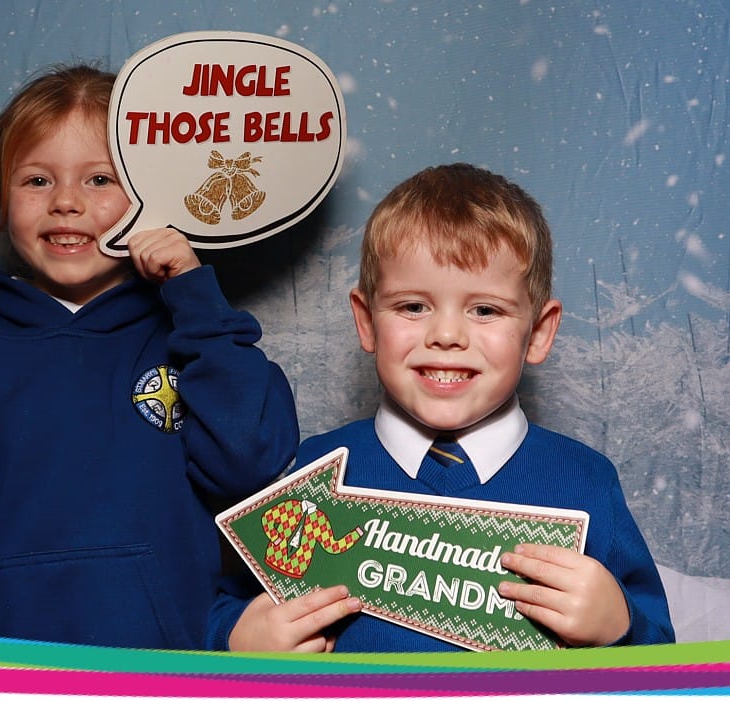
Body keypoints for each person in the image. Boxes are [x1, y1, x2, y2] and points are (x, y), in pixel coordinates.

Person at [0, 63, 299, 649]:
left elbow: (252, 460)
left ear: (148, 199)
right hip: (18, 693)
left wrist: (194, 296)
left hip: (176, 685)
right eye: (36, 181)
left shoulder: (190, 334)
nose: (67, 203)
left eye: (100, 180)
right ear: (0, 204)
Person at [211, 163, 672, 654]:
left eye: (485, 310)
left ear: (538, 333)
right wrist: (238, 637)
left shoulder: (587, 481)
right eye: (413, 307)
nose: (447, 335)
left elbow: (658, 657)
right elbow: (225, 606)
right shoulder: (310, 472)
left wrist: (620, 627)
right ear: (367, 322)